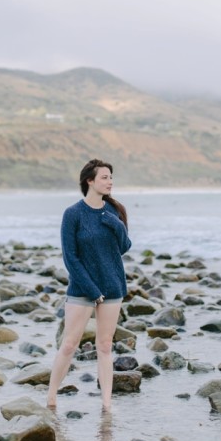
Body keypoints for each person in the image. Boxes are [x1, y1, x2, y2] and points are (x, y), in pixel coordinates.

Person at [47, 158, 132, 412]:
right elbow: (70, 257)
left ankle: (107, 403)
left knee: (105, 346)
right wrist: (93, 291)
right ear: (90, 181)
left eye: (111, 177)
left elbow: (124, 248)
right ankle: (51, 397)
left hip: (113, 286)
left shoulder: (114, 211)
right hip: (83, 289)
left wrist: (117, 225)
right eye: (105, 177)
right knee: (70, 344)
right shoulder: (73, 214)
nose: (110, 182)